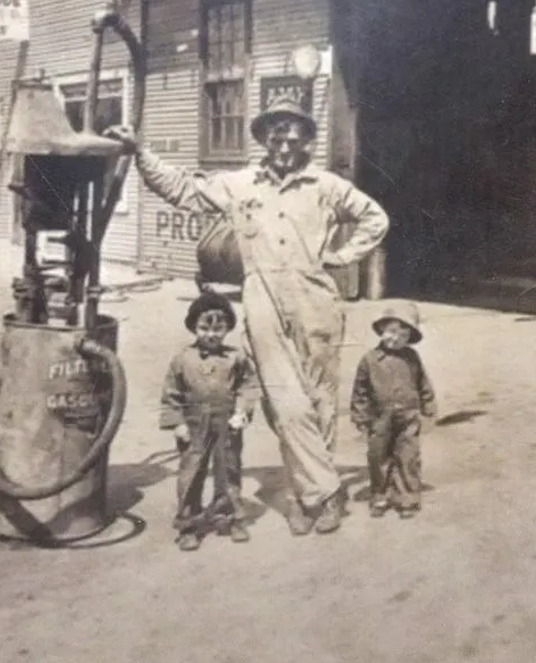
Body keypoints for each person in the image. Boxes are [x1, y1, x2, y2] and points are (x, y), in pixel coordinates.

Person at [106, 99, 389, 536]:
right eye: (275, 131)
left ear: (307, 138)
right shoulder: (239, 184)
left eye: (294, 131)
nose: (284, 141)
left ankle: (308, 493)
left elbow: (375, 218)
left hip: (315, 297)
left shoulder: (327, 186)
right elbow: (183, 189)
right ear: (263, 138)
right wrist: (140, 151)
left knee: (319, 397)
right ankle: (321, 491)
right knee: (282, 400)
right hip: (260, 294)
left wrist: (342, 256)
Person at [160, 291, 258, 551]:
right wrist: (177, 423)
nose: (212, 335)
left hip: (227, 422)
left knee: (229, 470)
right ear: (194, 327)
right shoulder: (182, 360)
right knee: (191, 472)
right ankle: (189, 525)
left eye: (219, 328)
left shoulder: (235, 358)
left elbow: (248, 386)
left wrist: (241, 412)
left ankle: (227, 516)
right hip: (193, 424)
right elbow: (171, 394)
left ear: (227, 328)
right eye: (205, 328)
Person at [350, 301, 438, 519]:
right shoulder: (369, 360)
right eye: (391, 332)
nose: (395, 338)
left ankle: (407, 498)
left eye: (403, 335)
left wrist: (428, 406)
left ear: (409, 338)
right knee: (378, 457)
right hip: (380, 419)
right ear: (381, 330)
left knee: (408, 457)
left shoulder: (412, 358)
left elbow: (423, 383)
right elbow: (360, 390)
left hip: (408, 417)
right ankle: (379, 495)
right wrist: (361, 416)